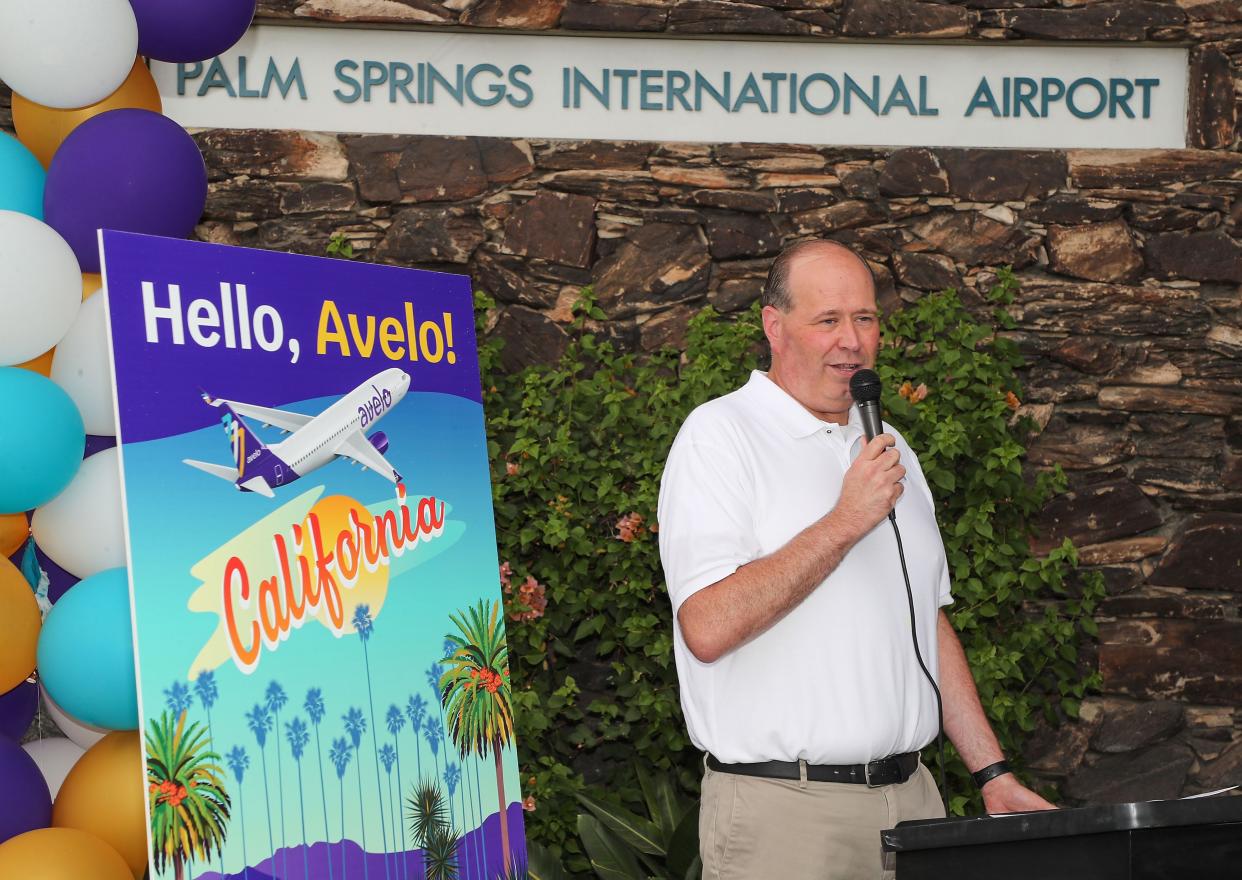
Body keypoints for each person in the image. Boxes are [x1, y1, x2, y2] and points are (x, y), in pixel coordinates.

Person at [657, 240, 1054, 880]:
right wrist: (845, 521)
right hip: (787, 817)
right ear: (773, 326)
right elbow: (706, 626)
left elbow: (924, 620)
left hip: (915, 804)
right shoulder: (719, 436)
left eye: (865, 319)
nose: (852, 341)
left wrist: (991, 772)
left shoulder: (890, 447)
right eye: (828, 321)